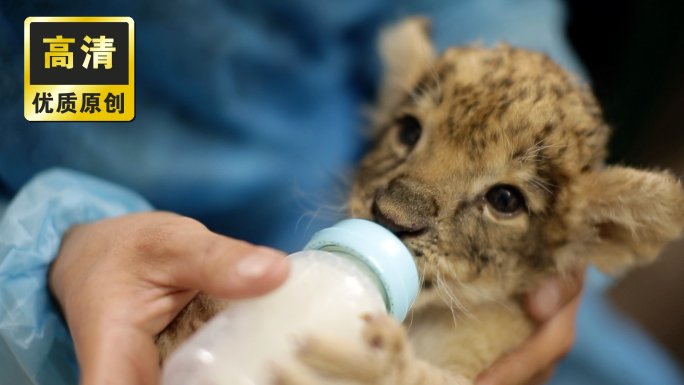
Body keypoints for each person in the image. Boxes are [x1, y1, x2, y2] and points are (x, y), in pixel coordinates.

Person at [2, 1, 677, 384]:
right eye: (410, 129)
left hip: (359, 216)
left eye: (505, 197)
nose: (397, 208)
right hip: (110, 287)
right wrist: (57, 245)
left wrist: (518, 90)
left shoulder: (523, 279)